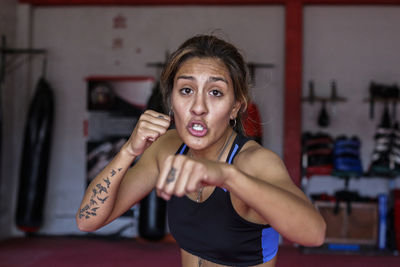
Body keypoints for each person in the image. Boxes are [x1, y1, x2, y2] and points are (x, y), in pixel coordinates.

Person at [76, 34, 326, 267]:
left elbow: (314, 234)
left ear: (235, 107)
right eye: (186, 90)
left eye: (215, 92)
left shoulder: (254, 162)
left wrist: (227, 176)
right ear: (172, 99)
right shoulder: (167, 148)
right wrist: (128, 150)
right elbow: (88, 220)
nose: (198, 107)